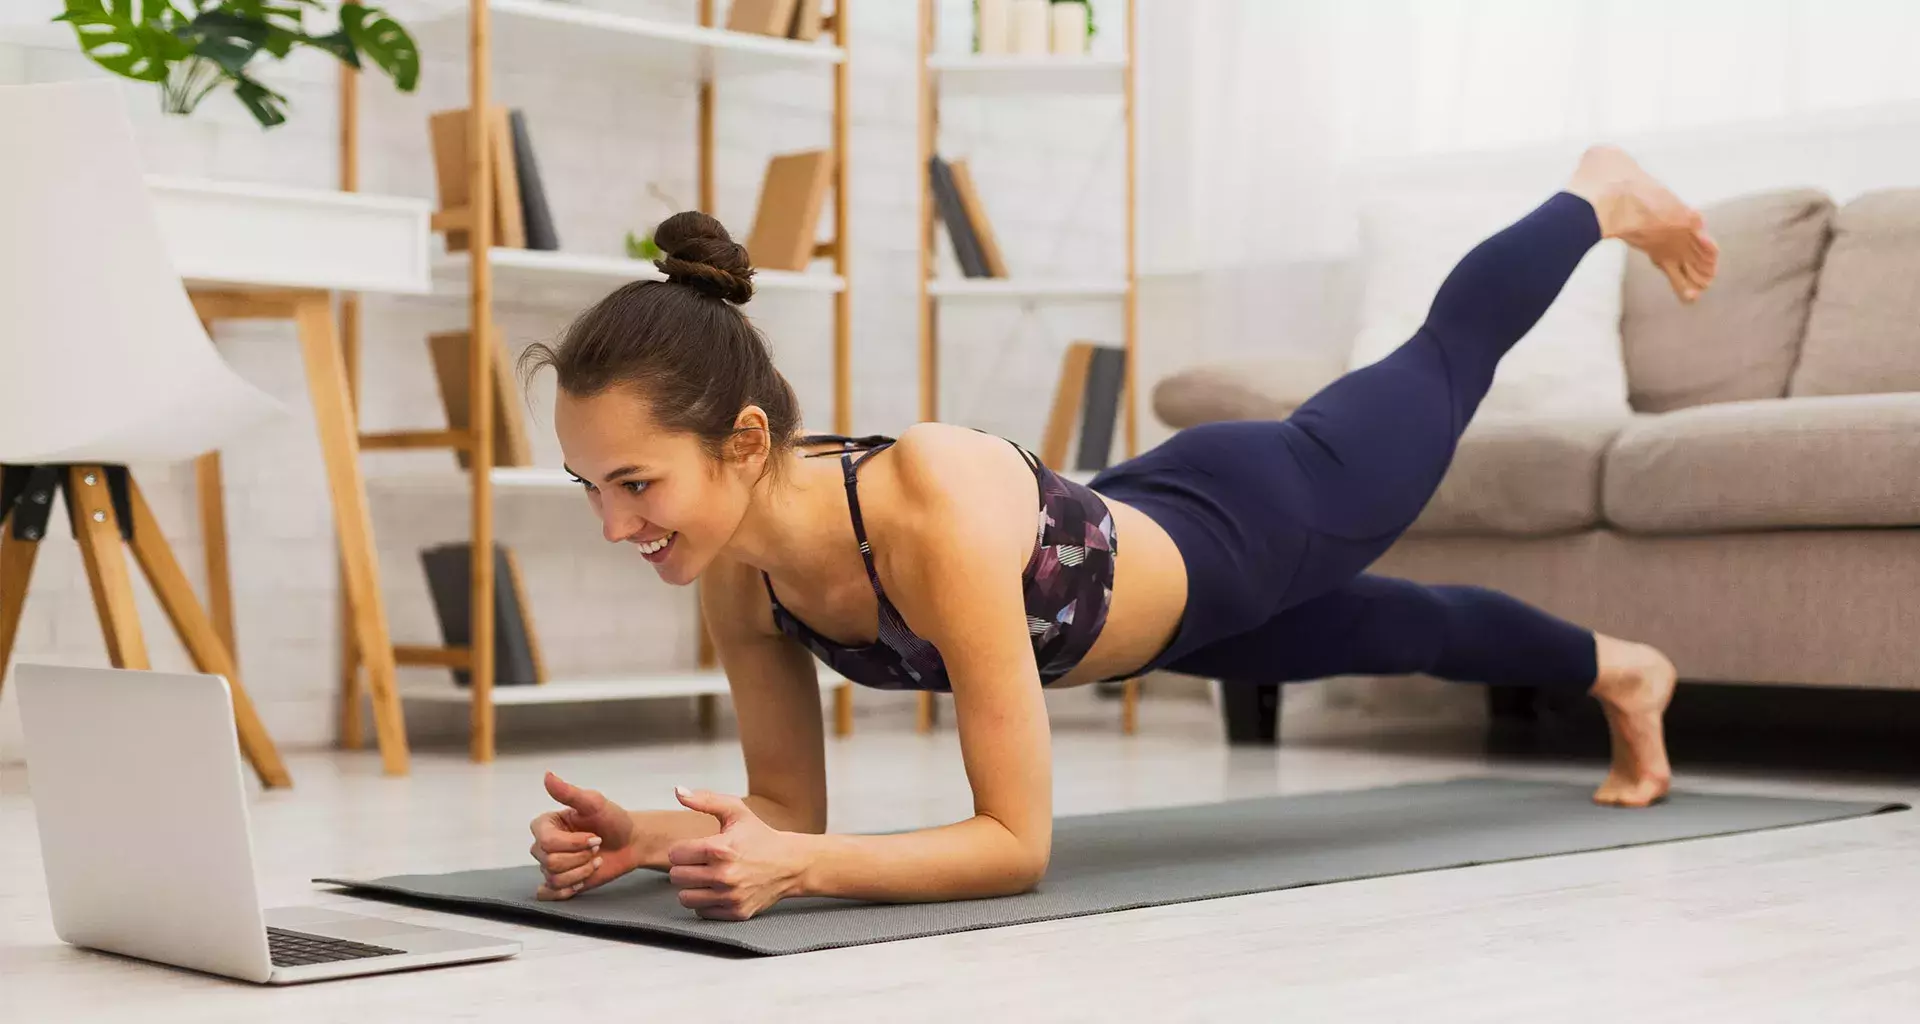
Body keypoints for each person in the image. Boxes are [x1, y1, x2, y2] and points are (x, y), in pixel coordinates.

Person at [522, 145, 1720, 922]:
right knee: (1404, 626)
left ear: (739, 442)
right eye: (590, 487)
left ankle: (1596, 195)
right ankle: (1626, 666)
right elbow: (787, 810)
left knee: (1442, 360)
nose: (614, 522)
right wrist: (650, 838)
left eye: (635, 482)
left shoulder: (921, 503)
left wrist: (806, 871)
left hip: (1258, 512)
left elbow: (1014, 842)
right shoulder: (740, 574)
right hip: (1165, 586)